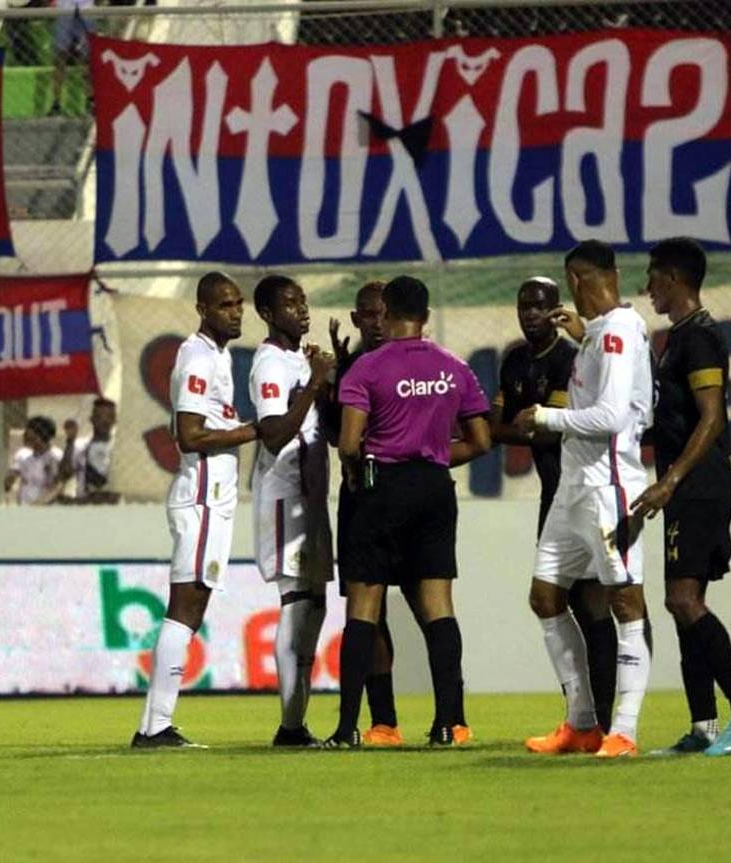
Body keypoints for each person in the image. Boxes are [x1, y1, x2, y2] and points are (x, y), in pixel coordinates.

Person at [327, 276, 491, 749]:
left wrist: (360, 468)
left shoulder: (367, 368)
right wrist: (433, 456)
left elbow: (349, 444)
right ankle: (448, 724)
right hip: (435, 490)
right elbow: (481, 441)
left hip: (380, 488)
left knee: (364, 606)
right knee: (438, 606)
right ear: (425, 314)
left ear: (389, 310)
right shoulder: (455, 368)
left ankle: (348, 729)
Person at [634, 237, 731, 757]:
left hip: (701, 485)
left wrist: (670, 480)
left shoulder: (700, 337)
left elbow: (712, 417)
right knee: (683, 602)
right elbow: (675, 418)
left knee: (683, 599)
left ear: (673, 278)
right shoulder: (679, 337)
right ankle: (704, 726)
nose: (648, 287)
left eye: (653, 277)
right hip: (690, 485)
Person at [515, 240, 653, 758]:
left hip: (608, 487)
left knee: (625, 602)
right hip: (573, 489)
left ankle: (625, 731)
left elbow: (612, 417)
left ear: (575, 279)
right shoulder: (601, 332)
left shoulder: (617, 332)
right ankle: (581, 724)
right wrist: (583, 333)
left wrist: (544, 416)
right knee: (545, 597)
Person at [131, 272, 260, 748]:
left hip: (214, 497)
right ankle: (155, 726)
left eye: (239, 303)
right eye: (225, 305)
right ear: (203, 309)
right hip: (202, 494)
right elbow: (188, 435)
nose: (236, 311)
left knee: (193, 605)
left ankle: (156, 724)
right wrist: (251, 431)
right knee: (185, 607)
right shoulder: (198, 357)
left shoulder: (218, 356)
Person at [490, 277, 618, 734]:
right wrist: (526, 426)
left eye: (539, 305)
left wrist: (528, 424)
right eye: (523, 305)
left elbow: (551, 431)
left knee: (593, 605)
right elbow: (495, 426)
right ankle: (583, 720)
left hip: (586, 490)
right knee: (549, 599)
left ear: (556, 309)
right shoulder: (514, 361)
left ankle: (606, 723)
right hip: (554, 496)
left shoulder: (569, 358)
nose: (529, 313)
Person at [248, 274, 336, 746]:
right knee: (297, 604)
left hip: (312, 495)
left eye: (303, 301)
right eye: (290, 303)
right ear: (267, 314)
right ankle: (290, 726)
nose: (302, 309)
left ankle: (298, 721)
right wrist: (315, 383)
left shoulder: (301, 359)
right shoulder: (269, 363)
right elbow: (274, 433)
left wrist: (325, 379)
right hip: (285, 493)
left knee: (315, 607)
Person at [55, 397, 119, 504]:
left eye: (109, 416)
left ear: (115, 421)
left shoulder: (118, 447)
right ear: (91, 419)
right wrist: (70, 441)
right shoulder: (79, 445)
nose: (105, 421)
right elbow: (64, 474)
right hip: (84, 505)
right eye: (99, 417)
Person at [49, 0, 97, 115]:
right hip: (64, 10)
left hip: (86, 10)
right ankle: (56, 103)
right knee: (60, 58)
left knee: (87, 59)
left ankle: (91, 101)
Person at [5, 416, 63, 505]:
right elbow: (8, 482)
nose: (25, 436)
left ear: (41, 436)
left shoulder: (55, 456)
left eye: (30, 435)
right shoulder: (23, 454)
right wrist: (10, 477)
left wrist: (37, 505)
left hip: (45, 507)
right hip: (24, 505)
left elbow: (57, 487)